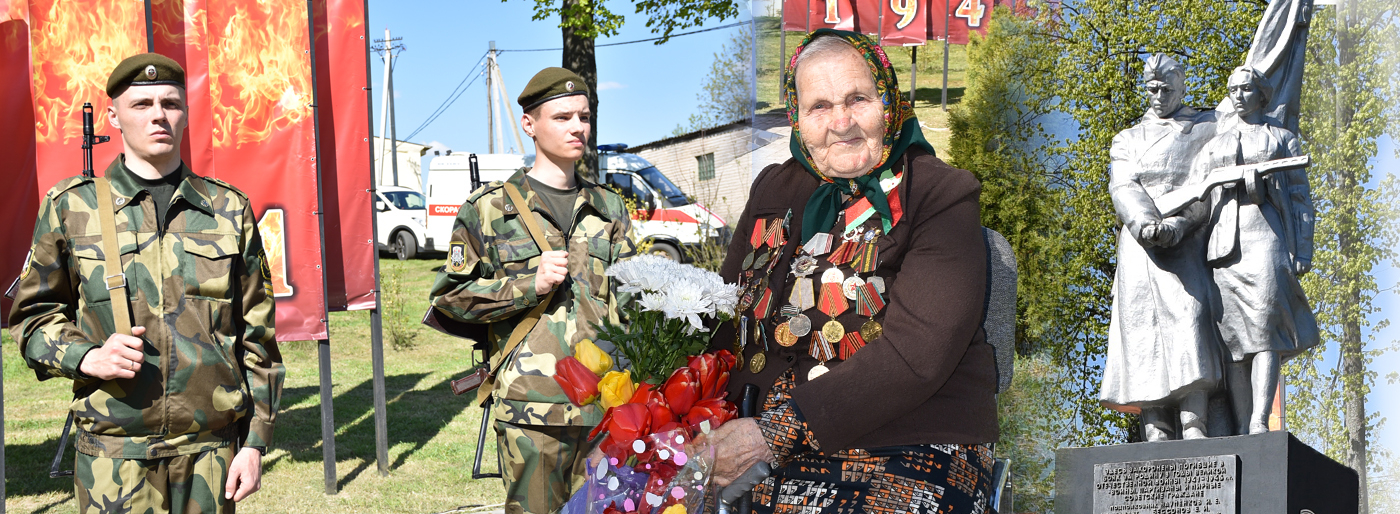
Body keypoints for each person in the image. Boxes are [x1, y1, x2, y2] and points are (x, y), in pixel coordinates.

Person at [704, 30, 997, 512]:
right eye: (819, 107)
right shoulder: (773, 189)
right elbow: (721, 318)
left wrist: (769, 435)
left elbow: (916, 356)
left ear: (888, 102)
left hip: (910, 444)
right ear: (797, 118)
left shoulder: (940, 195)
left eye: (857, 99)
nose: (840, 123)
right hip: (758, 452)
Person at [8, 53, 283, 513]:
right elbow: (31, 321)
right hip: (114, 457)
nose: (159, 114)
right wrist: (88, 356)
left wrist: (254, 443)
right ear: (113, 115)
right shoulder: (72, 207)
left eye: (170, 103)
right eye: (141, 104)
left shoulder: (228, 209)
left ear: (186, 113)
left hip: (209, 455)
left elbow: (258, 337)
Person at [427, 67, 636, 514]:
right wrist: (528, 285)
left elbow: (632, 303)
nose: (577, 127)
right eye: (562, 117)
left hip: (606, 408)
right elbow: (450, 298)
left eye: (583, 116)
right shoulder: (490, 209)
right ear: (530, 124)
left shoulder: (609, 207)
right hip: (532, 410)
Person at [1098, 54, 1223, 441]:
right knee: (1141, 332)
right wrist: (1145, 224)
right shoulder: (1127, 139)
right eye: (1152, 88)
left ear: (1182, 87)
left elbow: (1211, 183)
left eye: (1166, 88)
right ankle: (1155, 426)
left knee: (1190, 319)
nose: (1158, 95)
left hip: (1186, 240)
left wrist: (1181, 224)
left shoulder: (1207, 128)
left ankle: (1194, 421)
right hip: (1140, 245)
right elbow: (1123, 185)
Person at [1198, 65, 1318, 435]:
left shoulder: (1281, 139)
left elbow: (1300, 200)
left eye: (1246, 88)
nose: (1238, 95)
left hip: (1267, 238)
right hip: (1224, 248)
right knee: (1234, 342)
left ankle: (1258, 421)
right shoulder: (1215, 143)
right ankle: (1240, 423)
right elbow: (1199, 202)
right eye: (1233, 89)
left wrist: (1303, 250)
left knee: (1266, 331)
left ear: (1261, 94)